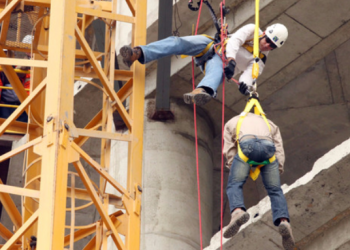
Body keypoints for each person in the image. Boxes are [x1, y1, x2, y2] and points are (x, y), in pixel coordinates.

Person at [119, 23, 288, 105]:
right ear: (265, 33)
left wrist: (245, 86)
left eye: (272, 46)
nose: (267, 45)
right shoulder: (252, 30)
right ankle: (138, 53)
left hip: (219, 64)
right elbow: (235, 41)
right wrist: (231, 59)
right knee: (178, 43)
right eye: (267, 40)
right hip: (212, 47)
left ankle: (202, 91)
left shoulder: (260, 60)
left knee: (215, 72)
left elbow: (250, 75)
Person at [223, 112, 295, 250]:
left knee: (234, 184)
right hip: (269, 152)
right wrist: (278, 167)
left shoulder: (233, 121)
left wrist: (234, 166)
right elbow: (278, 146)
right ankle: (284, 221)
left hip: (247, 148)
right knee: (275, 190)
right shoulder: (269, 123)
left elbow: (229, 149)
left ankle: (238, 212)